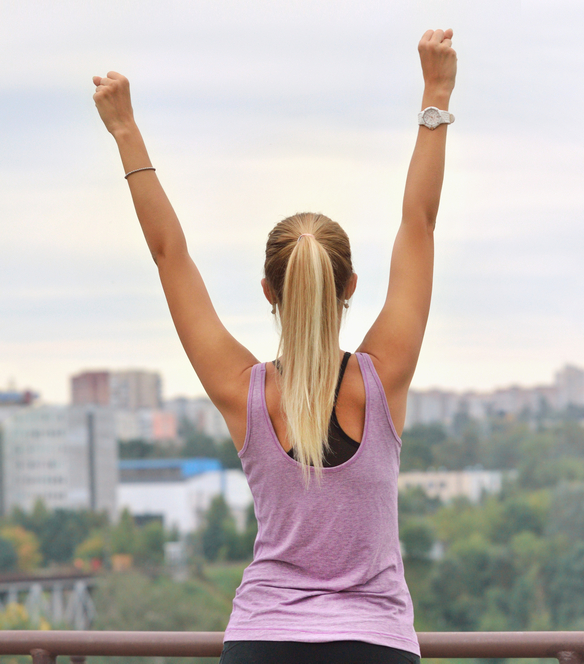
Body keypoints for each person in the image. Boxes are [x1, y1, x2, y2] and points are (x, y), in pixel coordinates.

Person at [92, 28, 457, 664]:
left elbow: (167, 254)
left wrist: (126, 130)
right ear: (348, 287)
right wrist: (436, 94)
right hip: (373, 645)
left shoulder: (245, 392)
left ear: (268, 291)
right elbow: (419, 224)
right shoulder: (382, 377)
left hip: (265, 642)